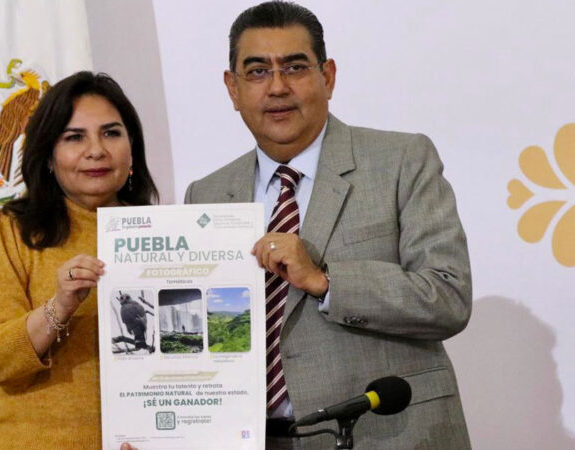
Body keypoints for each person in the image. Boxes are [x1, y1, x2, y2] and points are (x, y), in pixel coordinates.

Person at [184, 2, 472, 448]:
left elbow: (448, 297)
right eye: (257, 72)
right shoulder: (204, 195)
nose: (277, 88)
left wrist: (325, 281)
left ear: (328, 76)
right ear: (232, 88)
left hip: (388, 434)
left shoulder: (402, 161)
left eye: (294, 67)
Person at [0, 71, 157, 449]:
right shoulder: (11, 231)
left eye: (111, 133)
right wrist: (60, 306)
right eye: (74, 137)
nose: (96, 150)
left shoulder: (164, 232)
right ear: (49, 155)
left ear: (132, 149)